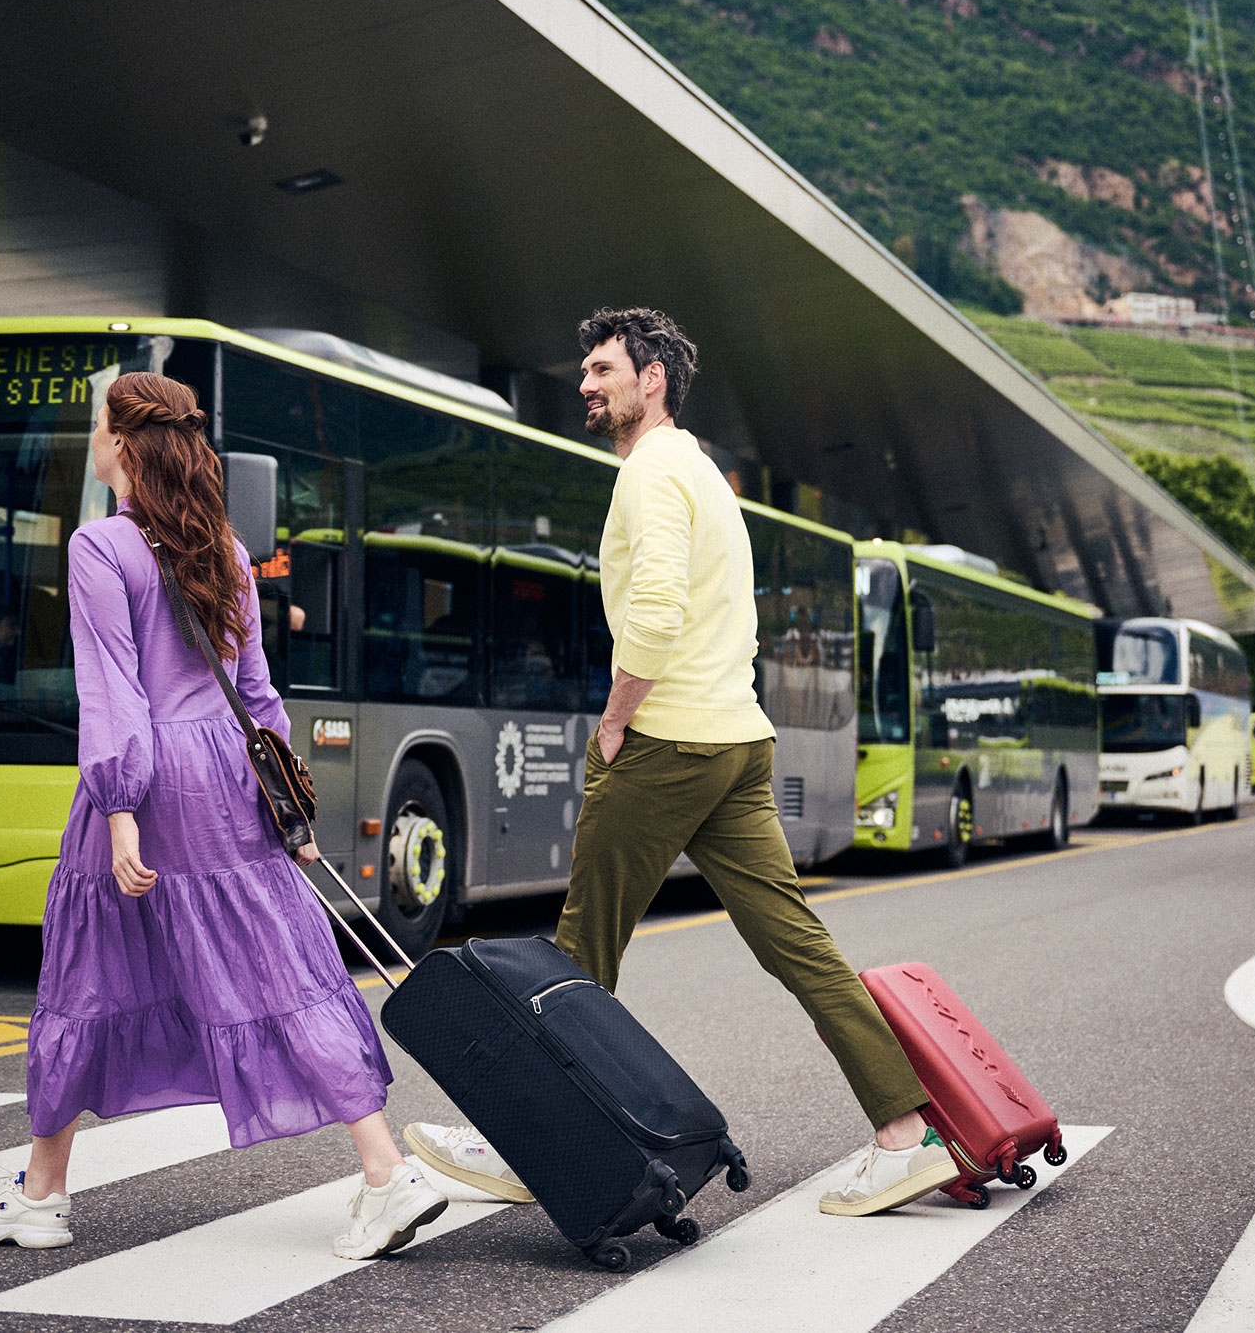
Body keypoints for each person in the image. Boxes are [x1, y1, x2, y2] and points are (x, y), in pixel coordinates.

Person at [407, 308, 954, 1218]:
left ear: (650, 377)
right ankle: (905, 1137)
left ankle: (525, 1144)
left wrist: (617, 721)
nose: (586, 384)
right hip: (736, 739)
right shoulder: (701, 471)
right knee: (799, 946)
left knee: (580, 950)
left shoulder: (653, 475)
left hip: (668, 740)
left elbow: (656, 611)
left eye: (602, 368)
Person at [0, 372, 440, 1260]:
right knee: (280, 965)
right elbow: (259, 699)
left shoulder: (101, 547)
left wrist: (122, 810)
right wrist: (282, 806)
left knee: (86, 976)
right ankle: (385, 1173)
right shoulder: (227, 550)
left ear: (126, 446)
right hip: (228, 777)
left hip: (145, 779)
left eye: (100, 429)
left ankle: (42, 1195)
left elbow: (114, 694)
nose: (93, 443)